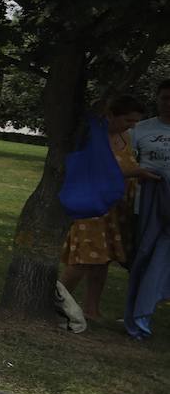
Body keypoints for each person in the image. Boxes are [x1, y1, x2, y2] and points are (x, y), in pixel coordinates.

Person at [59, 94, 160, 320]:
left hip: (118, 209)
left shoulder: (126, 138)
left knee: (103, 259)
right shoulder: (93, 136)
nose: (132, 126)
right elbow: (96, 170)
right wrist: (136, 172)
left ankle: (91, 309)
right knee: (84, 258)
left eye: (135, 121)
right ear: (111, 115)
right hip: (93, 206)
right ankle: (55, 300)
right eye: (127, 120)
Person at [127, 80, 170, 339]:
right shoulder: (140, 129)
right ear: (158, 98)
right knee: (142, 259)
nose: (169, 104)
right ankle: (137, 313)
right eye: (165, 98)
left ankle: (144, 309)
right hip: (146, 205)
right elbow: (125, 164)